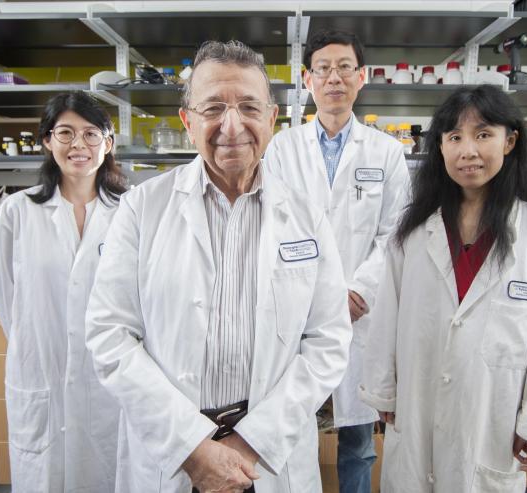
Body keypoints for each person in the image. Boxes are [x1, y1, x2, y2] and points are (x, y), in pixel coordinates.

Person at [85, 40, 352, 493]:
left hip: (268, 457)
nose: (232, 125)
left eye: (249, 107)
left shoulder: (306, 215)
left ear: (271, 119)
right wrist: (194, 447)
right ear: (188, 122)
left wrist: (251, 444)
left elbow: (328, 341)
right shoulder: (141, 209)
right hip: (175, 456)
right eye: (213, 108)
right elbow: (110, 336)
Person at [359, 84, 527, 492]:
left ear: (510, 141)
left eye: (483, 135)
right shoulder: (413, 231)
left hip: (491, 419)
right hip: (417, 407)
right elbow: (386, 316)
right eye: (454, 137)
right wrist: (383, 390)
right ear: (440, 147)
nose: (468, 151)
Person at [264, 29, 410, 493]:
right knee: (292, 427)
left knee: (358, 441)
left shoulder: (386, 152)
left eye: (344, 67)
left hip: (359, 312)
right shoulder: (283, 149)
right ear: (307, 80)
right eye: (323, 69)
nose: (334, 78)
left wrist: (357, 291)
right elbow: (272, 225)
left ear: (361, 77)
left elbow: (395, 232)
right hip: (297, 309)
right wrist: (317, 295)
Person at [0, 91, 127, 491]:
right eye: (64, 133)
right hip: (41, 370)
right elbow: (5, 296)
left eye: (90, 133)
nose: (78, 145)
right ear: (47, 141)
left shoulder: (130, 212)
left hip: (108, 374)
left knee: (110, 471)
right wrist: (39, 344)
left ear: (108, 143)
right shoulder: (17, 211)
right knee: (46, 477)